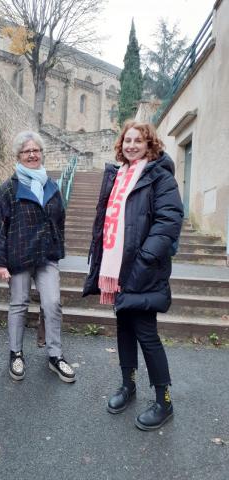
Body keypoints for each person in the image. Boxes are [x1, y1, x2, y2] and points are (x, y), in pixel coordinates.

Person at [83, 121, 183, 430]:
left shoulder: (159, 176)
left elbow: (169, 221)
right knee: (124, 329)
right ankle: (129, 385)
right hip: (117, 269)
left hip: (143, 268)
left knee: (147, 335)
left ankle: (164, 401)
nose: (131, 145)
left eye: (138, 140)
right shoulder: (118, 175)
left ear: (149, 144)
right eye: (127, 140)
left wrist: (143, 260)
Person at [0, 131, 76, 383]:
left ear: (41, 154)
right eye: (26, 151)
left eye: (35, 150)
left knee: (52, 303)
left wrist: (57, 247)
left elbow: (60, 220)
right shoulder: (8, 188)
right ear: (18, 156)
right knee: (19, 304)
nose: (31, 154)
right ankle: (16, 353)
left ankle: (55, 356)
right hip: (18, 255)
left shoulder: (52, 186)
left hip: (46, 255)